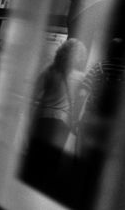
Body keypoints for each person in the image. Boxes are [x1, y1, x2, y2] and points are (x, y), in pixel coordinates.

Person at [22, 38, 87, 202]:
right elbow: (82, 101)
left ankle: (24, 194)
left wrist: (30, 120)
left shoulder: (49, 70)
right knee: (51, 164)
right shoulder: (81, 77)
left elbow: (32, 95)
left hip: (42, 119)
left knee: (34, 160)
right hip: (61, 125)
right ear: (78, 57)